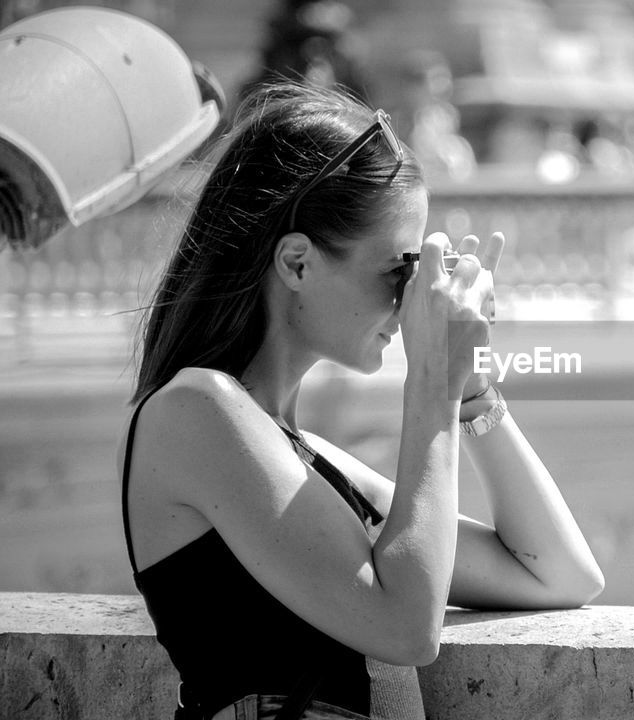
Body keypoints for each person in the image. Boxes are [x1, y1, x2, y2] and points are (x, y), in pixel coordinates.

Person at [117, 82, 604, 720]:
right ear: (296, 263)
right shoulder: (196, 411)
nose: (410, 301)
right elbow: (407, 627)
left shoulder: (302, 457)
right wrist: (431, 380)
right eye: (398, 270)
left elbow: (560, 575)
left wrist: (470, 387)